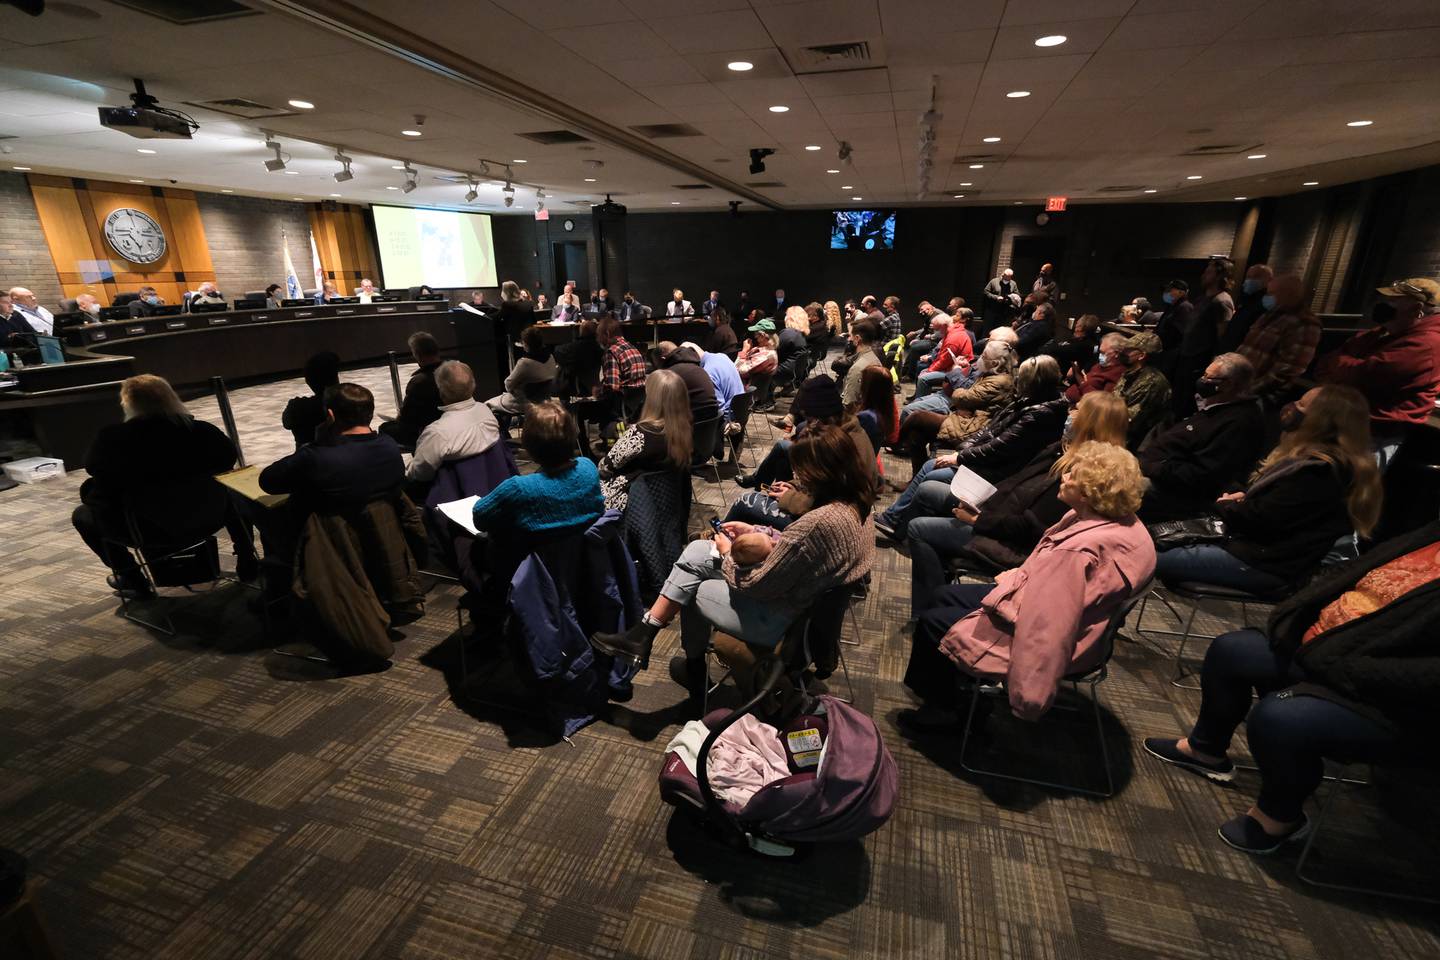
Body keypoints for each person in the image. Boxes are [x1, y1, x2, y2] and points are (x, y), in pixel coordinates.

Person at [1142, 519, 1440, 854]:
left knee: (1280, 719)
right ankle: (1204, 749)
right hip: (1330, 649)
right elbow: (1346, 581)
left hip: (1391, 696)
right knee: (1232, 651)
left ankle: (1280, 818)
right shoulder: (1428, 534)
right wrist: (1294, 621)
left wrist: (1339, 666)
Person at [588, 424, 875, 710]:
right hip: (803, 604)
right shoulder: (857, 504)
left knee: (693, 584)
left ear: (821, 472)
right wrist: (757, 530)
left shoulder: (819, 523)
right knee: (698, 554)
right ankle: (647, 633)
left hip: (783, 618)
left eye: (802, 472)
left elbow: (757, 584)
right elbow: (798, 553)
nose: (797, 478)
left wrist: (728, 555)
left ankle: (683, 659)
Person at [900, 441, 1155, 729]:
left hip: (1054, 633)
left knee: (933, 622)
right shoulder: (1119, 522)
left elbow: (1048, 627)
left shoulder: (1077, 553)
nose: (1063, 477)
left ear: (1089, 492)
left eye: (1072, 475)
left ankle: (945, 710)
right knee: (944, 595)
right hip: (1057, 609)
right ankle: (960, 687)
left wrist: (1029, 694)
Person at [903, 392, 1130, 615]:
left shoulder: (1080, 475)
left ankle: (929, 610)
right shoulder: (1061, 451)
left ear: (1090, 422)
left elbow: (1031, 528)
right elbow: (1016, 486)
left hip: (1012, 545)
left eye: (1078, 409)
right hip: (998, 514)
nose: (1071, 412)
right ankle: (938, 583)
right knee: (930, 491)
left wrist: (979, 519)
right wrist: (982, 502)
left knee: (919, 528)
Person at [1153, 385, 1382, 592]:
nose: (1292, 408)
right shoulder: (1316, 463)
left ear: (1321, 421)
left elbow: (1260, 520)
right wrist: (1245, 499)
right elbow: (1275, 509)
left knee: (1139, 556)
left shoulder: (1322, 472)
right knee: (1137, 547)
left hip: (1261, 564)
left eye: (1302, 405)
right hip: (1246, 547)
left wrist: (1230, 505)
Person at [72, 375, 239, 598]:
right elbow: (228, 462)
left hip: (148, 529)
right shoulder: (203, 432)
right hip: (210, 517)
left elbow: (98, 475)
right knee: (234, 488)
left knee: (83, 515)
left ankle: (133, 580)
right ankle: (247, 559)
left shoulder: (113, 439)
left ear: (128, 403)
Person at [881, 356, 1068, 533]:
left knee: (930, 467)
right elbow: (989, 431)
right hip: (983, 455)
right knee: (926, 449)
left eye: (1023, 377)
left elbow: (999, 447)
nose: (1018, 379)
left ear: (1034, 382)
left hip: (996, 473)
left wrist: (960, 456)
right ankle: (895, 521)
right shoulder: (1029, 402)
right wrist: (963, 449)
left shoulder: (1039, 415)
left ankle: (895, 521)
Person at [1314, 277, 1440, 465]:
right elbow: (1327, 361)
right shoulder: (1389, 332)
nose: (1387, 305)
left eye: (1395, 301)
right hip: (1346, 424)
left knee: (1341, 489)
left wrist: (1339, 365)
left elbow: (1361, 375)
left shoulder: (1427, 343)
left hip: (1371, 437)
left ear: (1417, 309)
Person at [731, 376, 877, 526]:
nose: (807, 424)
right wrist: (794, 485)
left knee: (744, 502)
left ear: (820, 416)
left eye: (809, 418)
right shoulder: (842, 429)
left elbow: (827, 504)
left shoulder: (842, 446)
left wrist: (790, 498)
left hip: (830, 522)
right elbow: (822, 484)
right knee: (783, 450)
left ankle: (715, 542)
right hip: (824, 507)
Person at [1139, 353, 1265, 522]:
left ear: (1230, 384)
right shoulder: (1217, 404)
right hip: (1153, 467)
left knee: (1110, 487)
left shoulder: (1239, 423)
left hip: (1172, 489)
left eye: (1209, 378)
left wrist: (1155, 468)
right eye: (1204, 375)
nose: (1203, 381)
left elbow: (1201, 474)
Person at [260, 383, 406, 520]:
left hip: (330, 540)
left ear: (330, 416)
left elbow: (267, 481)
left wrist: (317, 444)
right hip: (387, 532)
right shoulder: (390, 446)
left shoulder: (316, 457)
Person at [471, 400, 603, 538]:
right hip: (587, 554)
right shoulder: (588, 467)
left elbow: (479, 518)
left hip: (537, 558)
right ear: (573, 437)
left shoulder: (518, 488)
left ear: (529, 447)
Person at [894, 338, 1017, 473]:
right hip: (965, 416)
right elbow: (969, 398)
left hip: (972, 426)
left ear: (995, 363)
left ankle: (894, 440)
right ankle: (914, 476)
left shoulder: (999, 382)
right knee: (915, 434)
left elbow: (961, 397)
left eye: (984, 356)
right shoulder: (993, 373)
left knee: (917, 416)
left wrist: (957, 377)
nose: (980, 358)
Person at [598, 369, 693, 512]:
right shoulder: (685, 430)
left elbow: (605, 468)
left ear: (652, 399)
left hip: (631, 504)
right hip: (667, 503)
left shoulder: (641, 433)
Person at [407, 360, 502, 486]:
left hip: (455, 495)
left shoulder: (437, 432)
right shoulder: (486, 411)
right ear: (473, 385)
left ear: (441, 391)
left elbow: (420, 473)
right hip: (493, 483)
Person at [1232, 273, 1321, 400]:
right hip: (1238, 387)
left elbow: (1287, 370)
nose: (1267, 297)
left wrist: (1248, 390)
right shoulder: (1269, 315)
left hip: (1259, 396)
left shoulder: (1305, 323)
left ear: (1288, 294)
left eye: (1271, 293)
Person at [1173, 257, 1236, 415]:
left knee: (1189, 404)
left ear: (1220, 276)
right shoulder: (1202, 299)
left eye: (1209, 272)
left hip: (1199, 361)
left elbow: (1223, 336)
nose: (1204, 275)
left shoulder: (1222, 301)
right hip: (1186, 357)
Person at [374, 332, 444, 448]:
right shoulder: (454, 370)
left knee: (385, 428)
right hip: (451, 422)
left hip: (427, 430)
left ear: (417, 354)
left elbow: (407, 417)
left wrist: (400, 417)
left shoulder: (419, 382)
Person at [487, 325, 557, 429]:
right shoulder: (551, 357)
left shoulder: (525, 363)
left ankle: (503, 437)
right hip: (545, 399)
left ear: (527, 344)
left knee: (488, 404)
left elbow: (508, 385)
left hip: (524, 403)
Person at [1114, 331, 1172, 449]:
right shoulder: (1131, 373)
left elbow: (1129, 421)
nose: (1122, 353)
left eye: (1128, 350)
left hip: (1134, 443)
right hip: (1119, 432)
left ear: (1141, 356)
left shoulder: (1151, 382)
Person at [594, 315, 648, 442]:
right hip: (639, 403)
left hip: (623, 405)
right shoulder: (632, 347)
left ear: (607, 334)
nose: (597, 339)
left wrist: (598, 391)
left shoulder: (612, 352)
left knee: (591, 410)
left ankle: (609, 447)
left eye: (598, 335)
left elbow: (613, 387)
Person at [282, 351, 342, 449]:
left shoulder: (297, 408)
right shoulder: (348, 402)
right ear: (336, 380)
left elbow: (287, 423)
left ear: (308, 381)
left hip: (306, 460)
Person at [654, 341, 719, 425]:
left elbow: (657, 406)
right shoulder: (699, 367)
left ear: (663, 359)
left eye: (657, 366)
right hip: (712, 426)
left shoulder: (670, 375)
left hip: (690, 428)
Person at [681, 340, 744, 423]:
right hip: (741, 410)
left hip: (729, 420)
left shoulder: (708, 373)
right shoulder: (722, 356)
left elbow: (718, 410)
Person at [1218, 263, 1274, 354]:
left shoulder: (1266, 305)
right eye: (1248, 277)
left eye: (1256, 277)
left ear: (1269, 280)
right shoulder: (1246, 301)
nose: (1249, 280)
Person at [1064, 331, 1128, 404]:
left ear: (1116, 353)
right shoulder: (1102, 364)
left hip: (1080, 407)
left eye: (1103, 353)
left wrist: (1081, 381)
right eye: (1100, 352)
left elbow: (1101, 402)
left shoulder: (1117, 374)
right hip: (1068, 397)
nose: (1100, 356)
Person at [857, 363, 898, 453]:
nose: (860, 384)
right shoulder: (885, 411)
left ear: (869, 387)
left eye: (861, 380)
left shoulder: (866, 418)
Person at [842, 319, 883, 408]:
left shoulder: (857, 368)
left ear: (857, 339)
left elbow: (849, 404)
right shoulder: (875, 359)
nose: (849, 339)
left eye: (850, 336)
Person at [1150, 279, 1194, 362]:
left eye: (1170, 290)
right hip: (1166, 351)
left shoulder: (1185, 307)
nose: (1166, 293)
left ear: (1181, 292)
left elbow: (1179, 333)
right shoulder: (1172, 307)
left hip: (1173, 354)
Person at [775, 305, 810, 389]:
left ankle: (760, 397)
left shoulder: (788, 333)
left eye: (786, 315)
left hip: (786, 371)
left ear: (789, 318)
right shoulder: (802, 333)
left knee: (760, 369)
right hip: (796, 369)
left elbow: (775, 351)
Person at [981, 268, 1020, 333]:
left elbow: (1017, 294)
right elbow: (986, 292)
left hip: (1005, 311)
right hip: (992, 309)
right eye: (1005, 275)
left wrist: (1011, 298)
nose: (1007, 277)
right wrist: (996, 297)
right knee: (988, 329)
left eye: (1009, 276)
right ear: (1003, 274)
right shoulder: (994, 281)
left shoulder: (1013, 283)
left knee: (1000, 330)